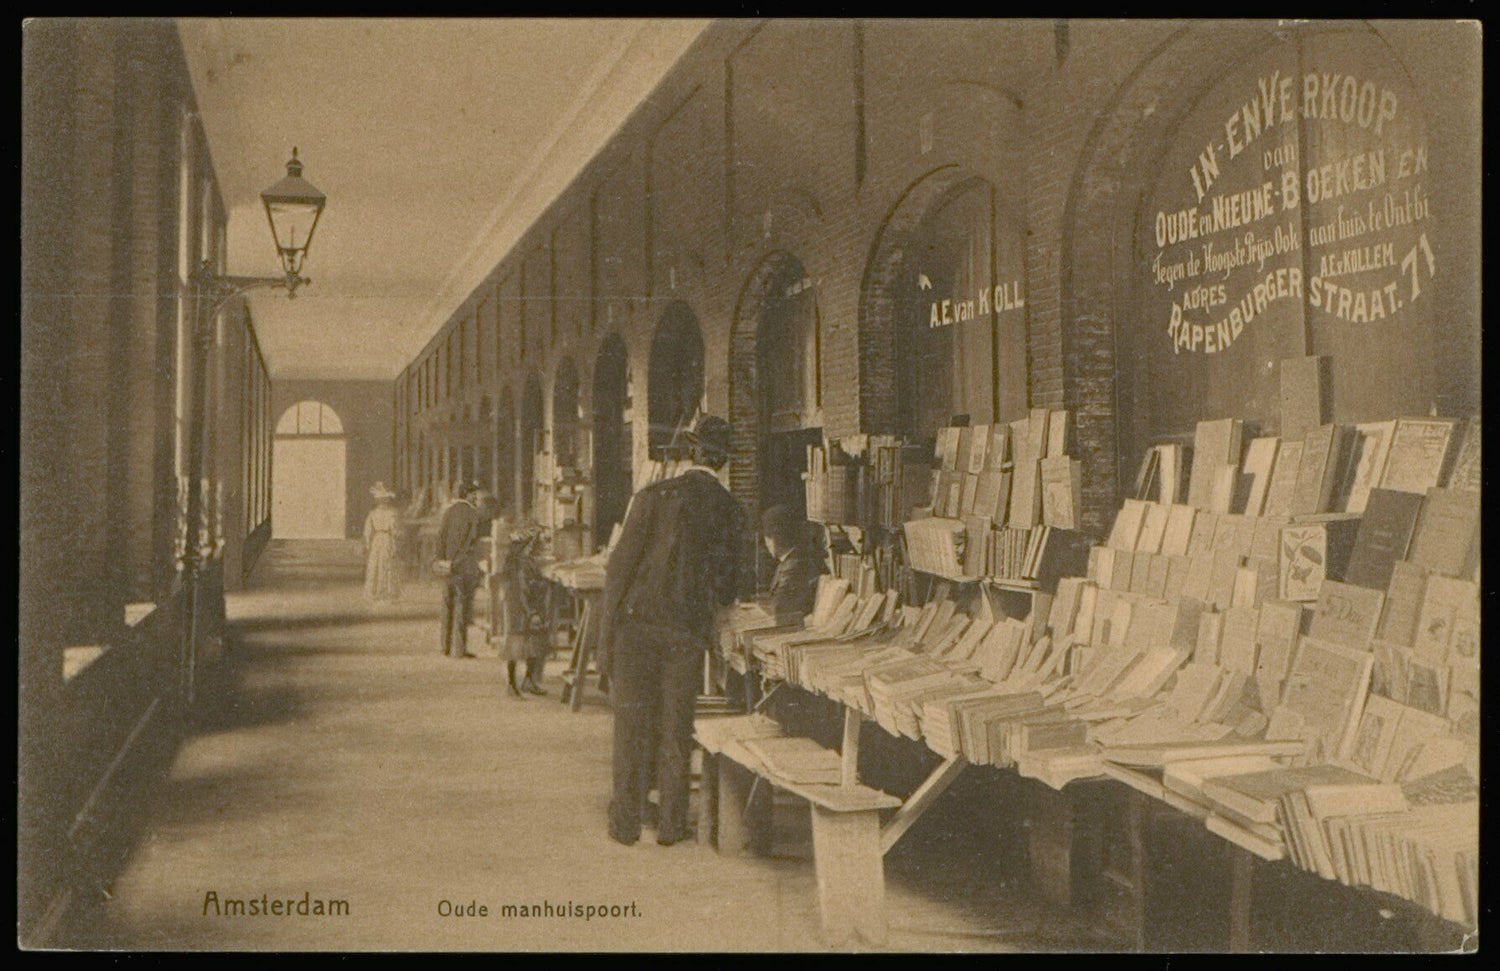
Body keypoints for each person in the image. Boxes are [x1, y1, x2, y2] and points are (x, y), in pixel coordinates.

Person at [598, 413, 744, 846]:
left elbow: (618, 570)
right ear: (723, 461)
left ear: (691, 452)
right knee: (676, 726)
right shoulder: (731, 509)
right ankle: (671, 825)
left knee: (630, 724)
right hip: (685, 632)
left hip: (636, 627)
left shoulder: (652, 496)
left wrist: (606, 638)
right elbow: (730, 585)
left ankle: (626, 822)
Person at [497, 519, 550, 698]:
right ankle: (512, 684)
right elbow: (522, 591)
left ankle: (527, 680)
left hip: (527, 607)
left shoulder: (524, 561)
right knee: (517, 645)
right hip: (522, 609)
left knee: (533, 644)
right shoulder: (521, 565)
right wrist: (532, 612)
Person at [437, 481, 485, 658]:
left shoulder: (448, 511)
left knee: (447, 604)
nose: (476, 498)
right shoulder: (472, 513)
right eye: (474, 495)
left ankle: (445, 647)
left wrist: (443, 560)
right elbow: (470, 540)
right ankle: (459, 650)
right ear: (468, 495)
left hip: (448, 564)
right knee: (462, 606)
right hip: (463, 564)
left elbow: (440, 536)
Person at [758, 504, 826, 624]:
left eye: (767, 537)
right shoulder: (789, 561)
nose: (766, 543)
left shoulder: (794, 565)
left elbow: (780, 608)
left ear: (775, 537)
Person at [363, 482, 402, 602]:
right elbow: (394, 529)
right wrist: (397, 537)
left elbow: (367, 531)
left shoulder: (373, 513)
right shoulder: (392, 513)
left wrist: (368, 543)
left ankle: (374, 592)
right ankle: (386, 593)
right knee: (386, 564)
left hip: (377, 540)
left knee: (376, 564)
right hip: (386, 539)